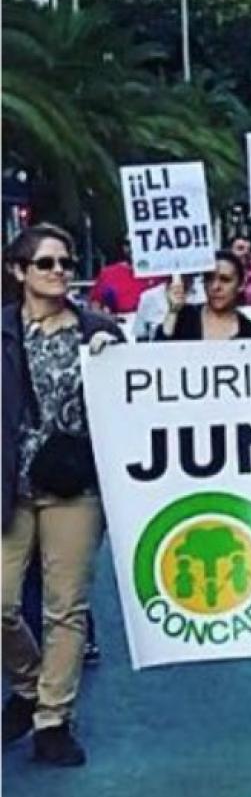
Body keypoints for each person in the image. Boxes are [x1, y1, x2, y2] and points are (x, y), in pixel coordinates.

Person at [2, 224, 124, 767]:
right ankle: (29, 688)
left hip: (74, 487)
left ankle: (54, 717)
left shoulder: (95, 331)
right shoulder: (3, 332)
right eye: (47, 263)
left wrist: (112, 354)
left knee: (65, 608)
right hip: (11, 484)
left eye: (66, 263)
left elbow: (142, 388)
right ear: (18, 271)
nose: (60, 272)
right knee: (3, 603)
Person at [161, 251, 251, 342]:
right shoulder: (184, 317)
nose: (215, 287)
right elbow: (158, 353)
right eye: (209, 279)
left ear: (241, 284)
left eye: (225, 280)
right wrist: (173, 312)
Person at [90, 239, 165, 315]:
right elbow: (95, 305)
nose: (133, 248)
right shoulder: (108, 273)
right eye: (128, 244)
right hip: (118, 323)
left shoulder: (160, 273)